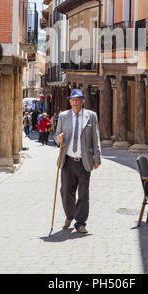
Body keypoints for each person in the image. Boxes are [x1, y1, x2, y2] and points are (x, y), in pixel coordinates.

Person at [54, 89, 101, 234]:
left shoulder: (91, 116)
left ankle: (80, 222)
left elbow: (95, 138)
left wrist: (97, 158)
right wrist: (58, 138)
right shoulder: (63, 116)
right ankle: (70, 215)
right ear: (70, 102)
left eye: (78, 100)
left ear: (82, 101)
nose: (75, 102)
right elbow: (56, 135)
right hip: (67, 161)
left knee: (83, 194)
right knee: (65, 191)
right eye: (72, 100)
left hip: (84, 161)